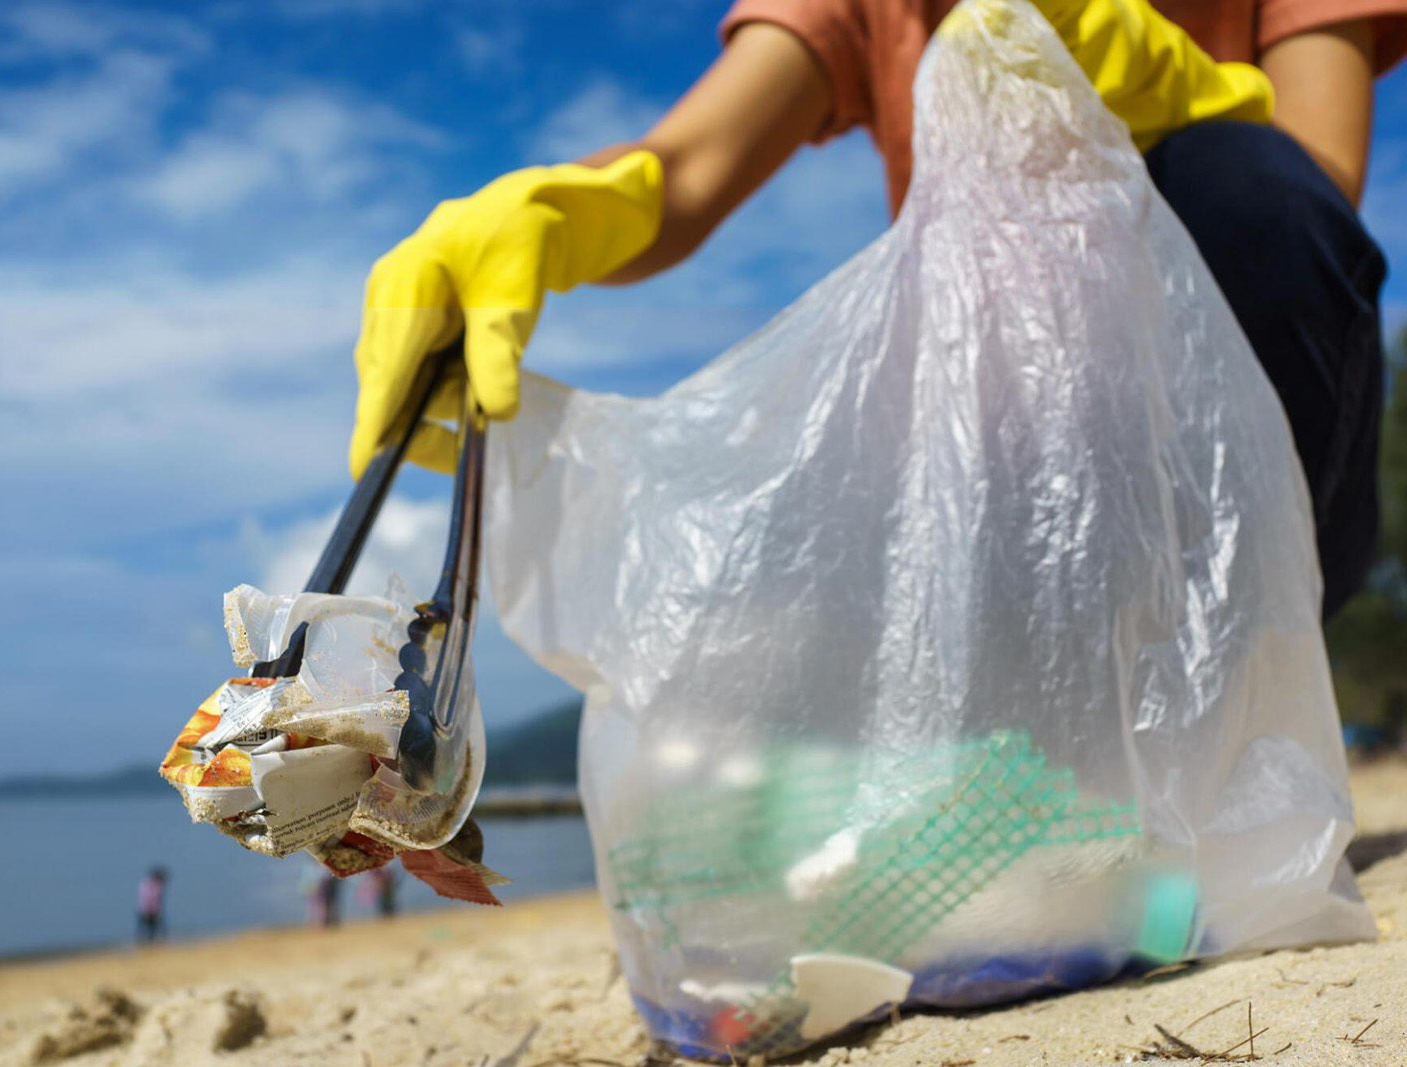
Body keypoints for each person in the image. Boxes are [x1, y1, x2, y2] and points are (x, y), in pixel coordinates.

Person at [349, 0, 1403, 619]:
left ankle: (1243, 668)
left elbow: (1314, 194)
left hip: (1249, 453)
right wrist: (554, 211)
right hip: (1003, 467)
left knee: (1242, 180)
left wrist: (1181, 98)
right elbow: (685, 170)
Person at [303, 862, 343, 928]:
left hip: (321, 889)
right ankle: (316, 923)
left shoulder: (313, 867)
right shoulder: (313, 867)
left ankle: (322, 923)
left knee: (320, 907)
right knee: (318, 907)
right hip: (317, 889)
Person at [136, 866, 168, 944]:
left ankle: (149, 943)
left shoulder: (145, 883)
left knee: (149, 929)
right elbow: (150, 898)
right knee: (150, 929)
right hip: (149, 910)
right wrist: (152, 910)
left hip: (146, 910)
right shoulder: (154, 885)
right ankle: (148, 944)